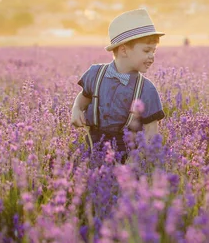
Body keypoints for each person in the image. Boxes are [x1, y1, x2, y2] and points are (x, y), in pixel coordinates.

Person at [71, 9, 166, 156]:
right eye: (147, 50)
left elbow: (151, 133)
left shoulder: (147, 90)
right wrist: (76, 110)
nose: (152, 57)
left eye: (154, 51)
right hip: (93, 150)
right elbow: (83, 99)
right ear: (123, 50)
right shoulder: (95, 74)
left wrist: (142, 160)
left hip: (127, 155)